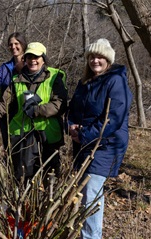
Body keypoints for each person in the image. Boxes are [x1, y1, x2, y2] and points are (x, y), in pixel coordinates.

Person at [0, 42, 67, 179]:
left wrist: (37, 110)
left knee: (50, 176)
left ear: (43, 58)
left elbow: (59, 104)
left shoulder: (55, 78)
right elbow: (3, 105)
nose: (32, 60)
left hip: (48, 134)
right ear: (25, 59)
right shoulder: (16, 80)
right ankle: (25, 200)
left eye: (36, 57)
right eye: (29, 57)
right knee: (24, 176)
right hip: (24, 135)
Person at [67, 38, 132, 239]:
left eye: (100, 57)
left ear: (108, 60)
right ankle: (86, 233)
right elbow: (73, 110)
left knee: (91, 190)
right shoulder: (84, 82)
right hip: (85, 143)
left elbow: (113, 118)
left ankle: (90, 237)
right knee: (85, 191)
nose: (95, 61)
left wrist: (84, 133)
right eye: (92, 57)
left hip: (107, 144)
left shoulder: (116, 81)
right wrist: (70, 127)